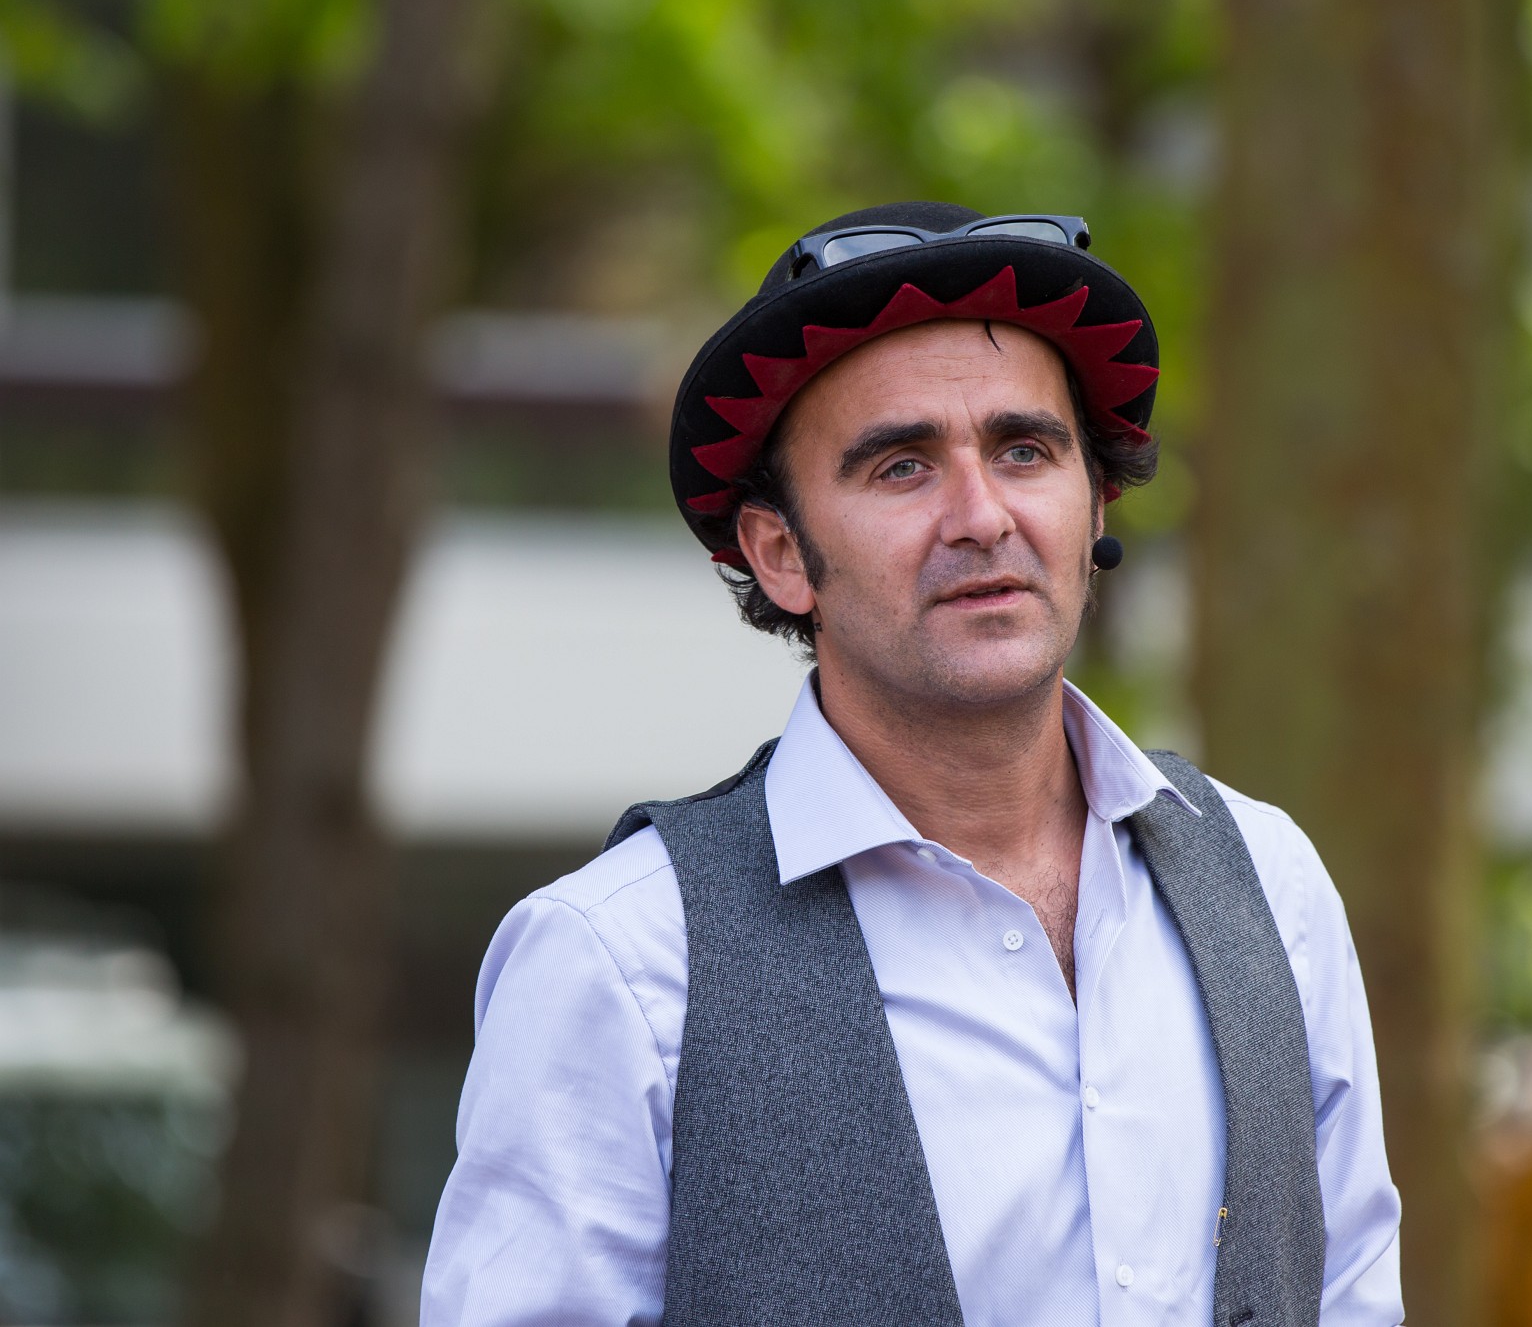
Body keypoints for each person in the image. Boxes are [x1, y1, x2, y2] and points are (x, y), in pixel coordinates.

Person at [420, 202, 1403, 1326]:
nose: (981, 516)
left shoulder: (1271, 884)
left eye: (1024, 450)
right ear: (780, 554)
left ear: (1095, 503)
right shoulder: (619, 962)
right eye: (900, 466)